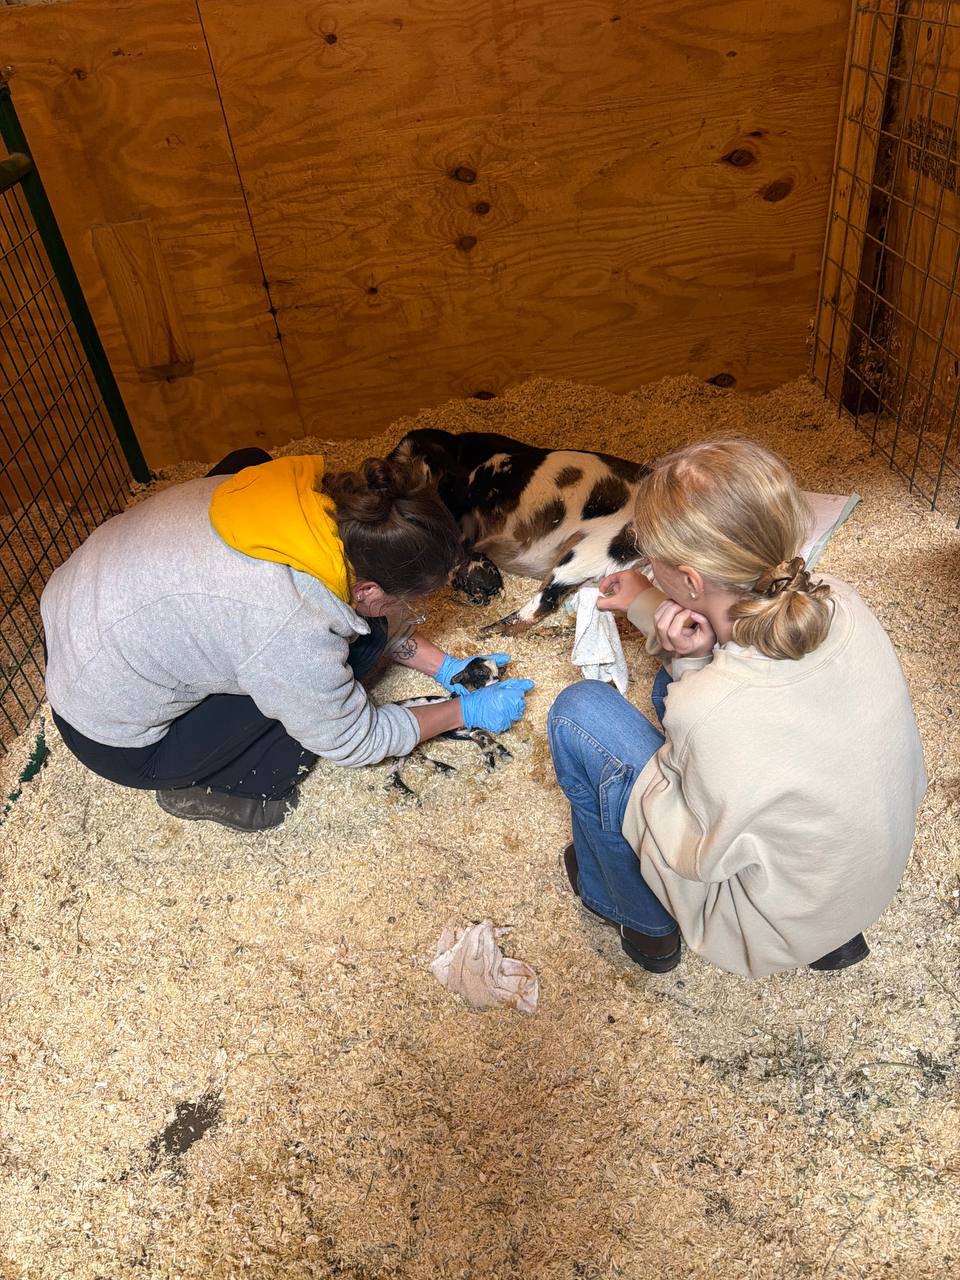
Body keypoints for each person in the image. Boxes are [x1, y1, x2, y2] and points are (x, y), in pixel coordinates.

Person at [547, 438, 926, 977]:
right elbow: (742, 657)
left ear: (691, 582)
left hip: (770, 924)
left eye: (653, 565)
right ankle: (833, 943)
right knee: (675, 692)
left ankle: (637, 917)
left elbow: (694, 851)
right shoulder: (839, 600)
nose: (648, 572)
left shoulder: (712, 707)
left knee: (579, 713)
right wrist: (652, 611)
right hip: (852, 881)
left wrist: (690, 672)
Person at [41, 447, 534, 832]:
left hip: (82, 619)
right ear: (366, 588)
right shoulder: (286, 624)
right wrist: (463, 711)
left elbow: (369, 602)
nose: (412, 614)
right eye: (406, 602)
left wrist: (448, 668)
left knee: (347, 636)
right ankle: (220, 790)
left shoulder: (284, 493)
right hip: (113, 737)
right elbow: (354, 740)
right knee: (341, 666)